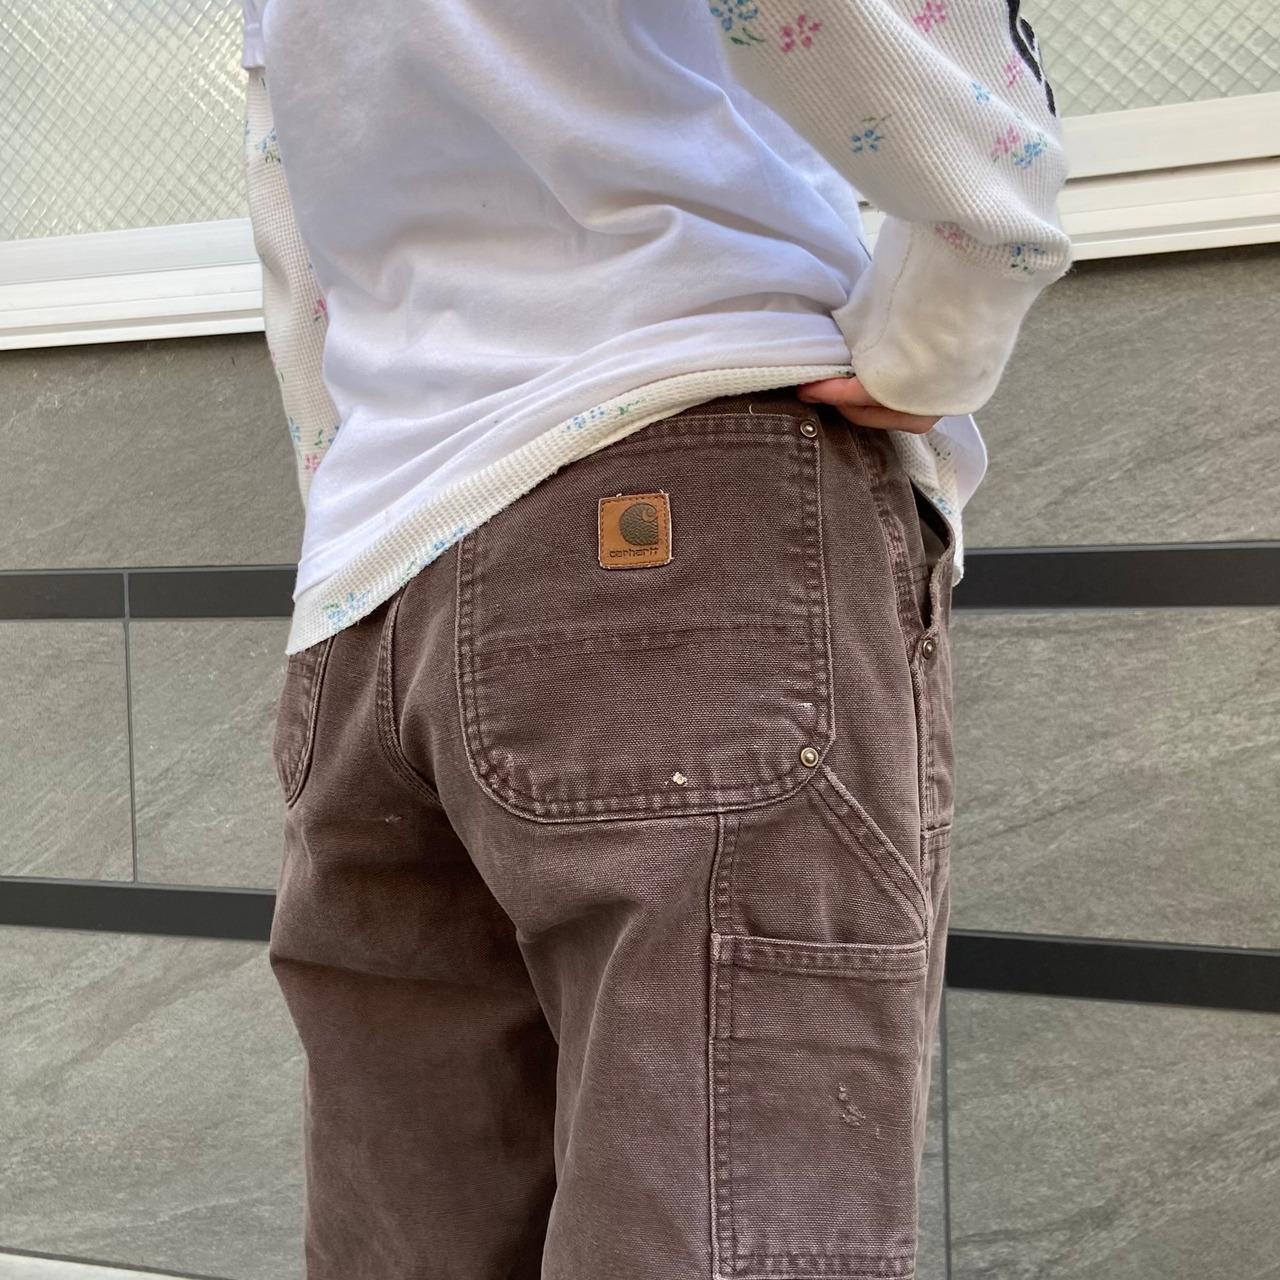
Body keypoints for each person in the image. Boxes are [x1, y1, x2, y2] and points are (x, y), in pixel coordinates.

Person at [244, 1, 1071, 1276]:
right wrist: (945, 314)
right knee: (711, 1229)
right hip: (680, 468)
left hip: (377, 570)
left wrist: (353, 519)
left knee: (408, 1230)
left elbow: (293, 213)